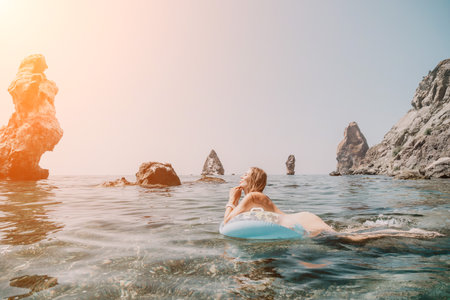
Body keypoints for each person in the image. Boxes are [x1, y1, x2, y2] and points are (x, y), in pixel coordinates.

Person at [223, 167, 442, 241]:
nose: (240, 177)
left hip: (300, 223)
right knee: (347, 233)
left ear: (253, 181)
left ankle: (412, 233)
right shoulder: (259, 199)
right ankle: (399, 231)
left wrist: (231, 201)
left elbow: (227, 223)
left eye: (244, 175)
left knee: (350, 239)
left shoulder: (251, 197)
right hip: (302, 217)